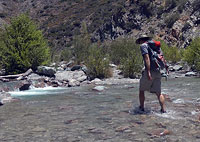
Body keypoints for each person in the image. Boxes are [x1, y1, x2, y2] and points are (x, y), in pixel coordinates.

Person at [136, 35, 166, 113]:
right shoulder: (156, 46)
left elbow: (147, 58)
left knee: (141, 90)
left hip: (150, 71)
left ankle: (142, 108)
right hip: (158, 71)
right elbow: (162, 57)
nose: (139, 43)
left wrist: (148, 72)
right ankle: (163, 110)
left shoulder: (143, 46)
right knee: (159, 93)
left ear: (141, 40)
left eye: (139, 42)